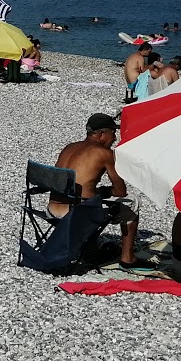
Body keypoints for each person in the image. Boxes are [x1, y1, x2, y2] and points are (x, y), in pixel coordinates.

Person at [52, 113, 141, 268]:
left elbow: (79, 185)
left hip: (52, 208)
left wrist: (98, 191)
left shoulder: (69, 148)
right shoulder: (105, 153)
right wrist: (107, 191)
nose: (114, 139)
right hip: (77, 212)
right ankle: (127, 258)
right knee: (132, 201)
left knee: (91, 198)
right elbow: (121, 192)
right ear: (101, 134)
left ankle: (89, 248)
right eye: (113, 133)